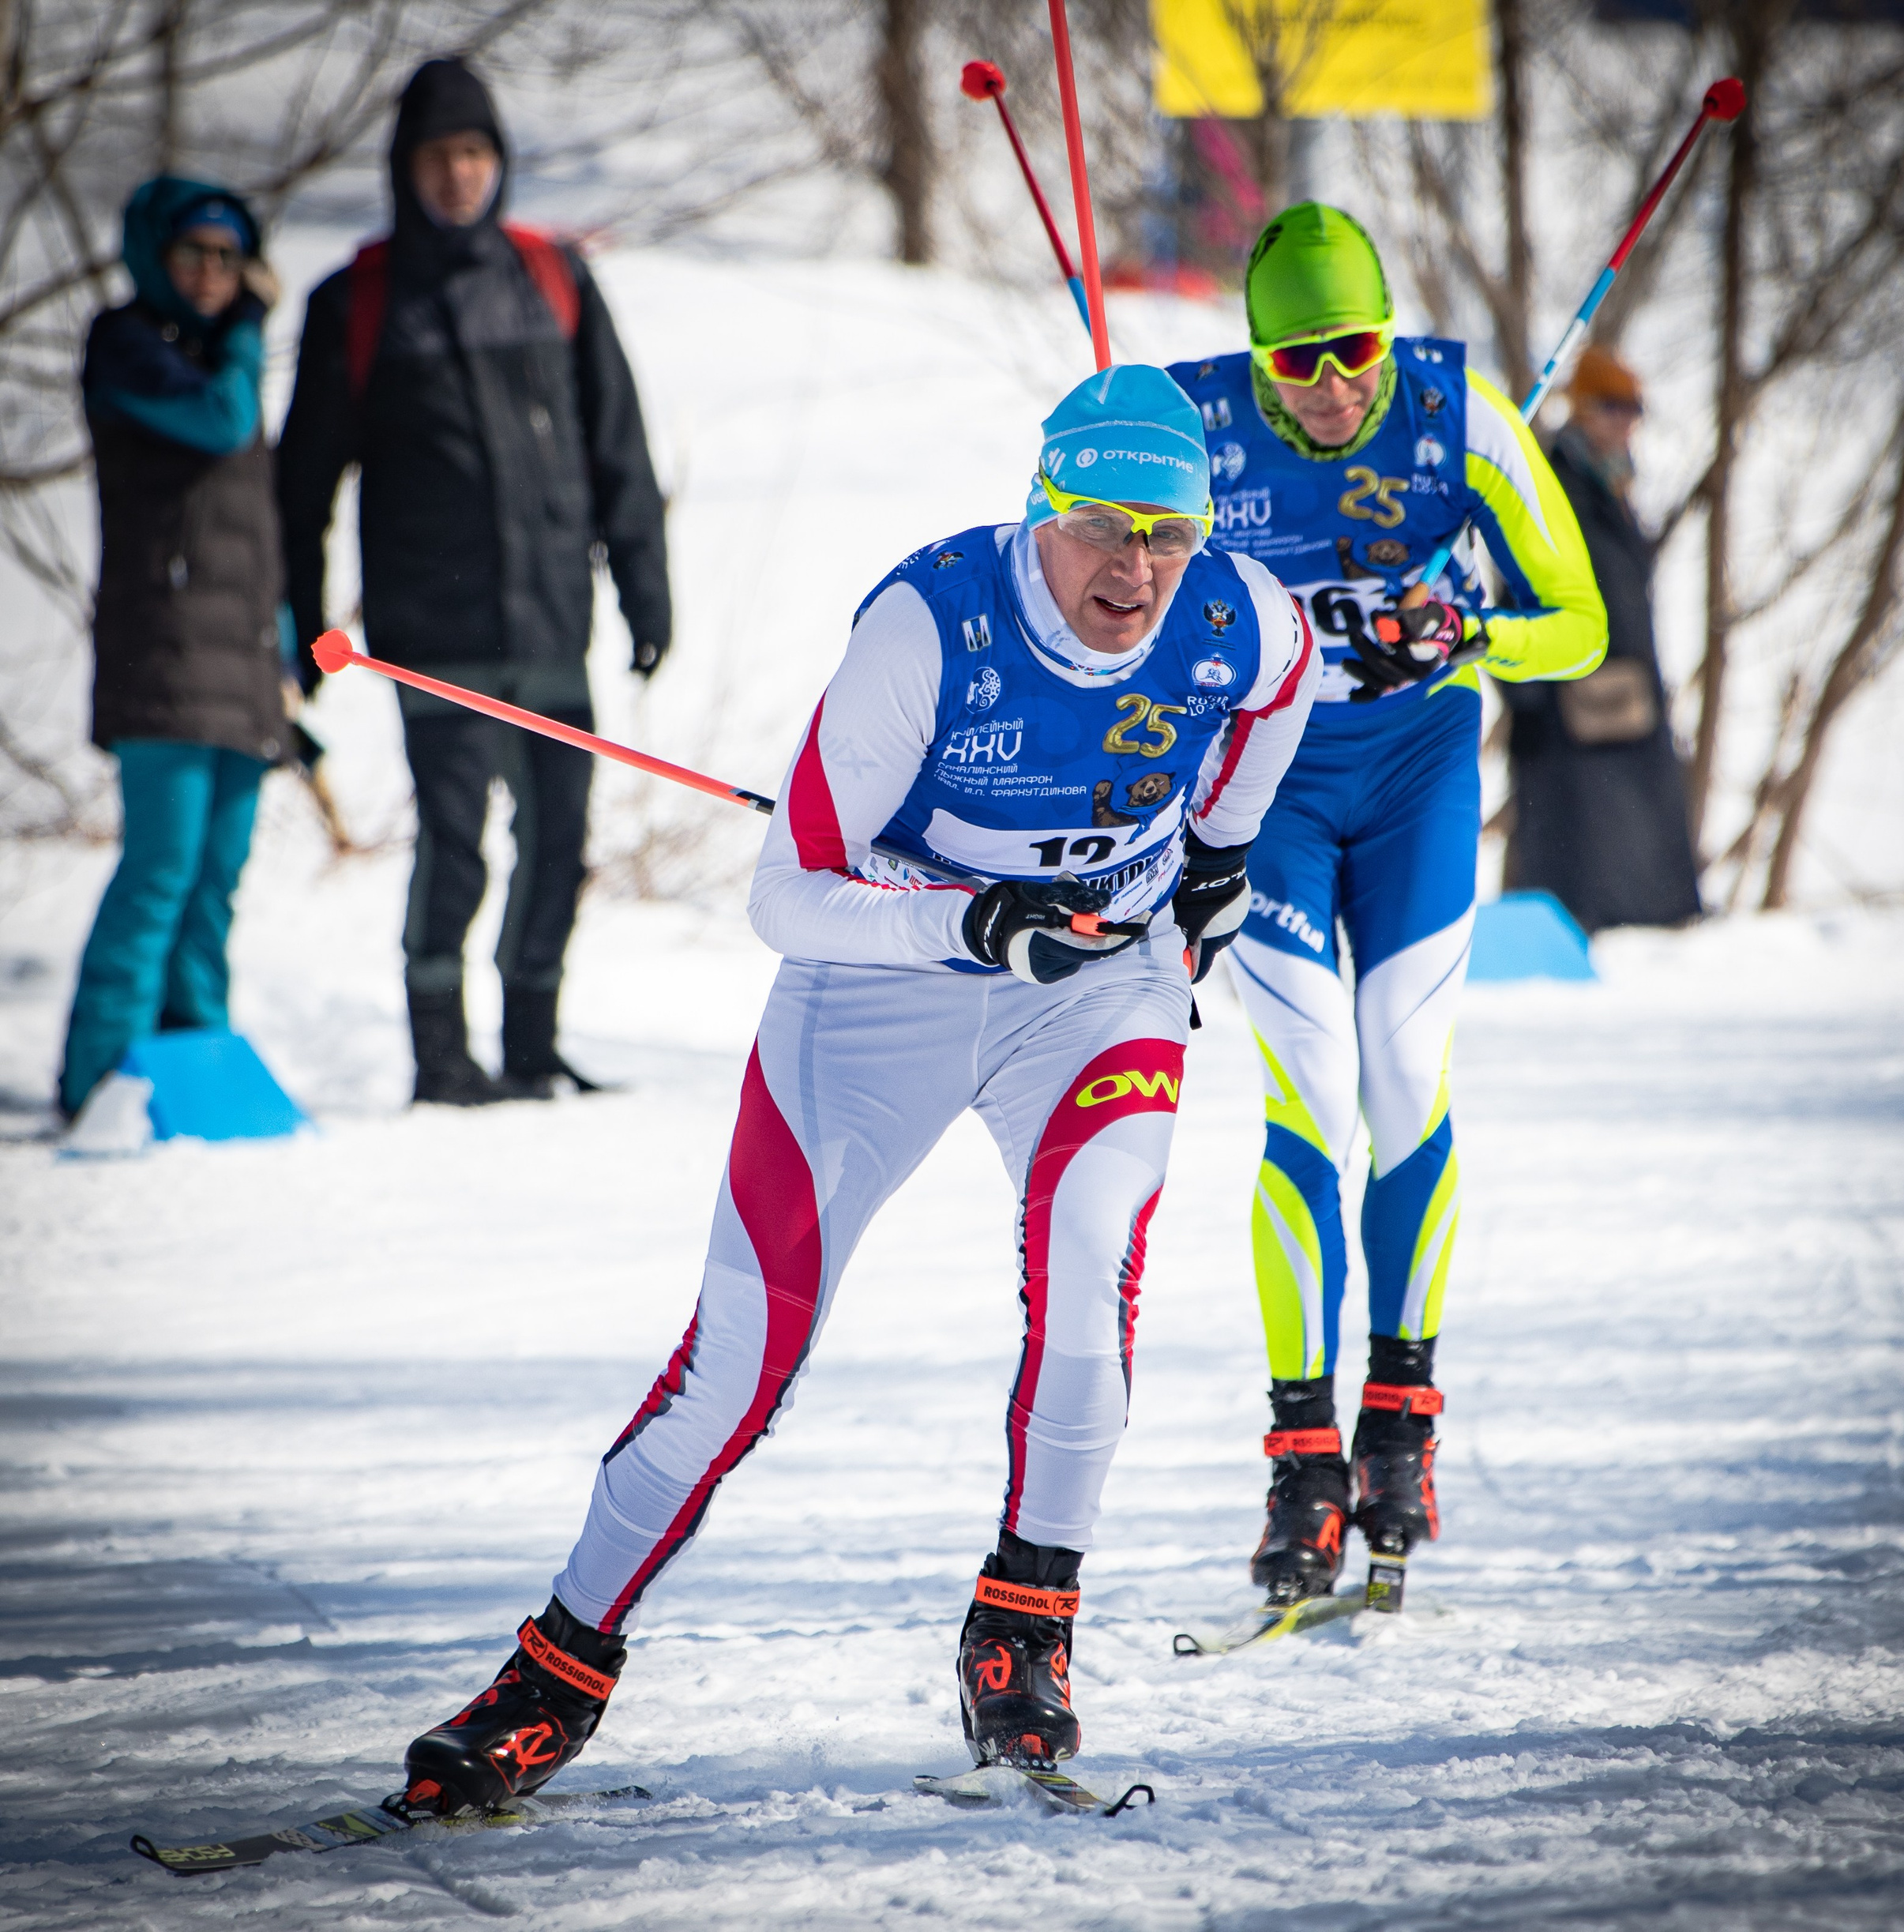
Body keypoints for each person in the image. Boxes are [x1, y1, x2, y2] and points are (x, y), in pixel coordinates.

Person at [394, 364, 1317, 1814]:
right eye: (1099, 528)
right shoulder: (926, 629)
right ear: (1040, 511)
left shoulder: (1238, 614)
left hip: (1096, 993)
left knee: (1092, 1276)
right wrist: (972, 923)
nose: (1133, 571)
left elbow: (1281, 688)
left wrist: (1218, 852)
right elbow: (787, 897)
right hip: (880, 986)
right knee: (742, 1362)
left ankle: (1026, 1624)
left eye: (1168, 532)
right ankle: (551, 1672)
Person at [1166, 204, 1606, 1611]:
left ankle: (1399, 1421)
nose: (1335, 385)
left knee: (1406, 1075)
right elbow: (1098, 580)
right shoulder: (1188, 429)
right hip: (1273, 793)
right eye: (1299, 362)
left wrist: (1468, 627)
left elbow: (1582, 624)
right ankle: (1302, 1455)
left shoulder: (1454, 414)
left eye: (1354, 349)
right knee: (1312, 1096)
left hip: (1416, 775)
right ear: (1256, 358)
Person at [279, 57, 671, 1106]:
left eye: (474, 154)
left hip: (552, 620)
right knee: (456, 848)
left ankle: (534, 1046)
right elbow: (302, 484)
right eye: (437, 157)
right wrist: (300, 622)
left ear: (498, 163)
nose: (457, 176)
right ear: (403, 170)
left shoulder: (554, 278)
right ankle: (444, 1058)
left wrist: (645, 584)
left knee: (558, 843)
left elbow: (617, 445)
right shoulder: (356, 304)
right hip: (434, 631)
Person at [58, 178, 288, 1122]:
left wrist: (280, 656)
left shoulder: (217, 357)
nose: (208, 275)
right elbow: (220, 421)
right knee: (159, 868)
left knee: (216, 875)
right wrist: (246, 330)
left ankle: (191, 1063)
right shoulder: (129, 345)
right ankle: (98, 1074)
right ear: (155, 255)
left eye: (227, 258)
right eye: (192, 254)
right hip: (163, 656)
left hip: (238, 659)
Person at [1502, 346, 1701, 930]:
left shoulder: (1609, 480)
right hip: (1565, 700)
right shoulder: (1555, 479)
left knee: (1636, 846)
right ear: (1582, 408)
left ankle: (1652, 928)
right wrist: (1528, 698)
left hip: (1624, 692)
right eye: (1612, 407)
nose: (1626, 421)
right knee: (1577, 848)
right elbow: (1516, 579)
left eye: (1633, 408)